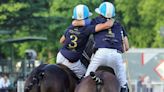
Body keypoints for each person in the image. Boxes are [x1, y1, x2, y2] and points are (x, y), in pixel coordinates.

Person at [72, 2, 129, 92]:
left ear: (100, 13)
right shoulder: (119, 25)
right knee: (124, 85)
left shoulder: (94, 21)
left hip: (100, 54)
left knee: (85, 79)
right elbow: (126, 47)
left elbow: (76, 23)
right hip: (116, 56)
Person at [56, 4, 114, 79]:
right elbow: (106, 25)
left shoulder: (71, 26)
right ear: (86, 17)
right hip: (72, 62)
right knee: (86, 78)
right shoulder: (87, 29)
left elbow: (61, 41)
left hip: (60, 57)